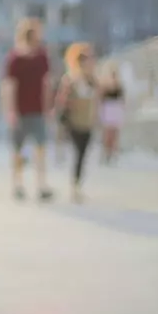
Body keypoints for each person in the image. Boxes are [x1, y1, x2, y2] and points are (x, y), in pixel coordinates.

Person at [1, 18, 53, 202]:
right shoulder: (15, 58)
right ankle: (18, 184)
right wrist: (10, 110)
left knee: (41, 148)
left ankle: (41, 185)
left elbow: (46, 84)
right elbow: (9, 86)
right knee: (18, 150)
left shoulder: (42, 57)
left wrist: (48, 108)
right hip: (21, 110)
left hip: (37, 109)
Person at [55, 42, 98, 203]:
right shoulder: (70, 80)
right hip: (73, 122)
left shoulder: (93, 80)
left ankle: (77, 184)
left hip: (87, 122)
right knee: (78, 152)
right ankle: (75, 186)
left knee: (82, 154)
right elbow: (63, 101)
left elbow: (97, 99)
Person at [98, 62, 125, 164]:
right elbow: (100, 98)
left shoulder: (119, 85)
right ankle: (106, 152)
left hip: (116, 108)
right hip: (108, 108)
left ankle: (114, 153)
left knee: (115, 133)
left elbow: (122, 99)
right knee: (108, 133)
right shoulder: (105, 85)